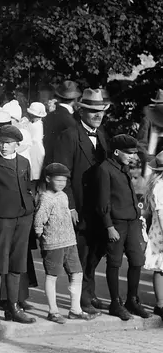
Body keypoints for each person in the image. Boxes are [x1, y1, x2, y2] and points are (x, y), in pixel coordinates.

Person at [48, 86, 111, 313]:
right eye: (92, 111)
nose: (98, 115)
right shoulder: (69, 136)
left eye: (101, 111)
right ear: (81, 111)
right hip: (80, 205)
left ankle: (90, 291)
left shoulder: (102, 135)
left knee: (96, 250)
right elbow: (61, 175)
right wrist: (70, 206)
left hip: (99, 206)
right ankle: (82, 298)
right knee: (81, 253)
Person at [0, 124, 36, 327]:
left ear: (17, 145)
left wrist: (30, 209)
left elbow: (28, 187)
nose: (3, 146)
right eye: (1, 142)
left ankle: (13, 307)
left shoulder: (24, 162)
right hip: (2, 220)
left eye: (8, 143)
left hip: (23, 219)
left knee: (17, 264)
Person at [95, 134, 150, 321]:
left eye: (134, 153)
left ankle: (132, 300)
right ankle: (115, 303)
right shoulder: (105, 169)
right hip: (116, 223)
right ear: (117, 152)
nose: (132, 157)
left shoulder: (124, 168)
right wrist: (109, 226)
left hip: (132, 222)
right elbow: (103, 202)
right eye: (129, 153)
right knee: (114, 263)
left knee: (137, 260)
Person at [34, 162, 95, 323]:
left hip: (69, 241)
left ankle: (75, 309)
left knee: (77, 273)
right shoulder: (45, 198)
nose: (62, 183)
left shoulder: (64, 196)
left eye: (64, 180)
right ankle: (53, 311)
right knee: (52, 276)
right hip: (53, 244)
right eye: (58, 180)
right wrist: (42, 238)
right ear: (48, 179)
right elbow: (39, 221)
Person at [142, 152, 163, 318]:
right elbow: (161, 213)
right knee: (160, 267)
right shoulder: (160, 186)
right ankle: (160, 304)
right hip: (161, 230)